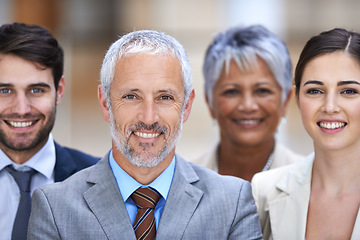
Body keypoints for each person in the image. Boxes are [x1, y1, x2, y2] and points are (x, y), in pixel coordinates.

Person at [28, 29, 263, 239]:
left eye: (165, 97)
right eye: (131, 96)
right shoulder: (55, 208)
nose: (149, 118)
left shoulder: (232, 203)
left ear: (187, 106)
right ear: (104, 102)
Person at [251, 28, 360, 240]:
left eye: (348, 91)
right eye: (315, 91)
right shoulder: (264, 191)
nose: (330, 107)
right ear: (297, 99)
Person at [0, 22, 99, 240]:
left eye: (36, 90)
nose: (21, 109)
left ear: (59, 91)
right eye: (5, 90)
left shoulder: (103, 180)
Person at [191, 25, 305, 181]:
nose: (248, 105)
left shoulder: (311, 182)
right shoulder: (181, 182)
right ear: (209, 102)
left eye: (262, 91)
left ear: (285, 100)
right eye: (232, 91)